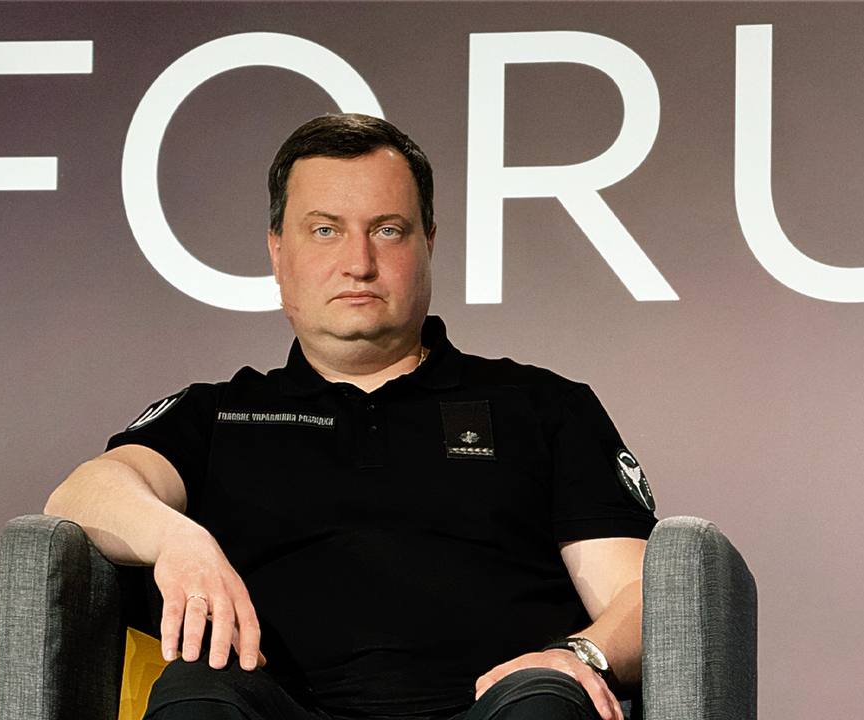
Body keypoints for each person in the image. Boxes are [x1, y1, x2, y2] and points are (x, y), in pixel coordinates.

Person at [45, 113, 658, 720]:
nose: (359, 262)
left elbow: (639, 594)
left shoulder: (544, 405)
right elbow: (84, 493)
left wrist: (580, 655)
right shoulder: (220, 414)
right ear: (277, 251)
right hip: (275, 711)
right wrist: (180, 539)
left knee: (547, 701)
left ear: (429, 243)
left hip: (496, 709)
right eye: (325, 231)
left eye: (388, 230)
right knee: (195, 695)